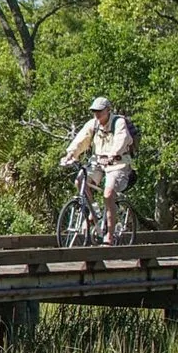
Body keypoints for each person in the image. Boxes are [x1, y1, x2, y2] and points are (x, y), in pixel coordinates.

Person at [59, 96, 137, 244]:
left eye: (100, 111)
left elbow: (122, 139)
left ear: (108, 110)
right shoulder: (93, 124)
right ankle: (96, 214)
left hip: (118, 163)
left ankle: (110, 235)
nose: (97, 114)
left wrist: (113, 154)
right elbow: (81, 139)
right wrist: (70, 154)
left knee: (108, 195)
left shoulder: (118, 123)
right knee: (80, 181)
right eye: (95, 111)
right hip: (98, 162)